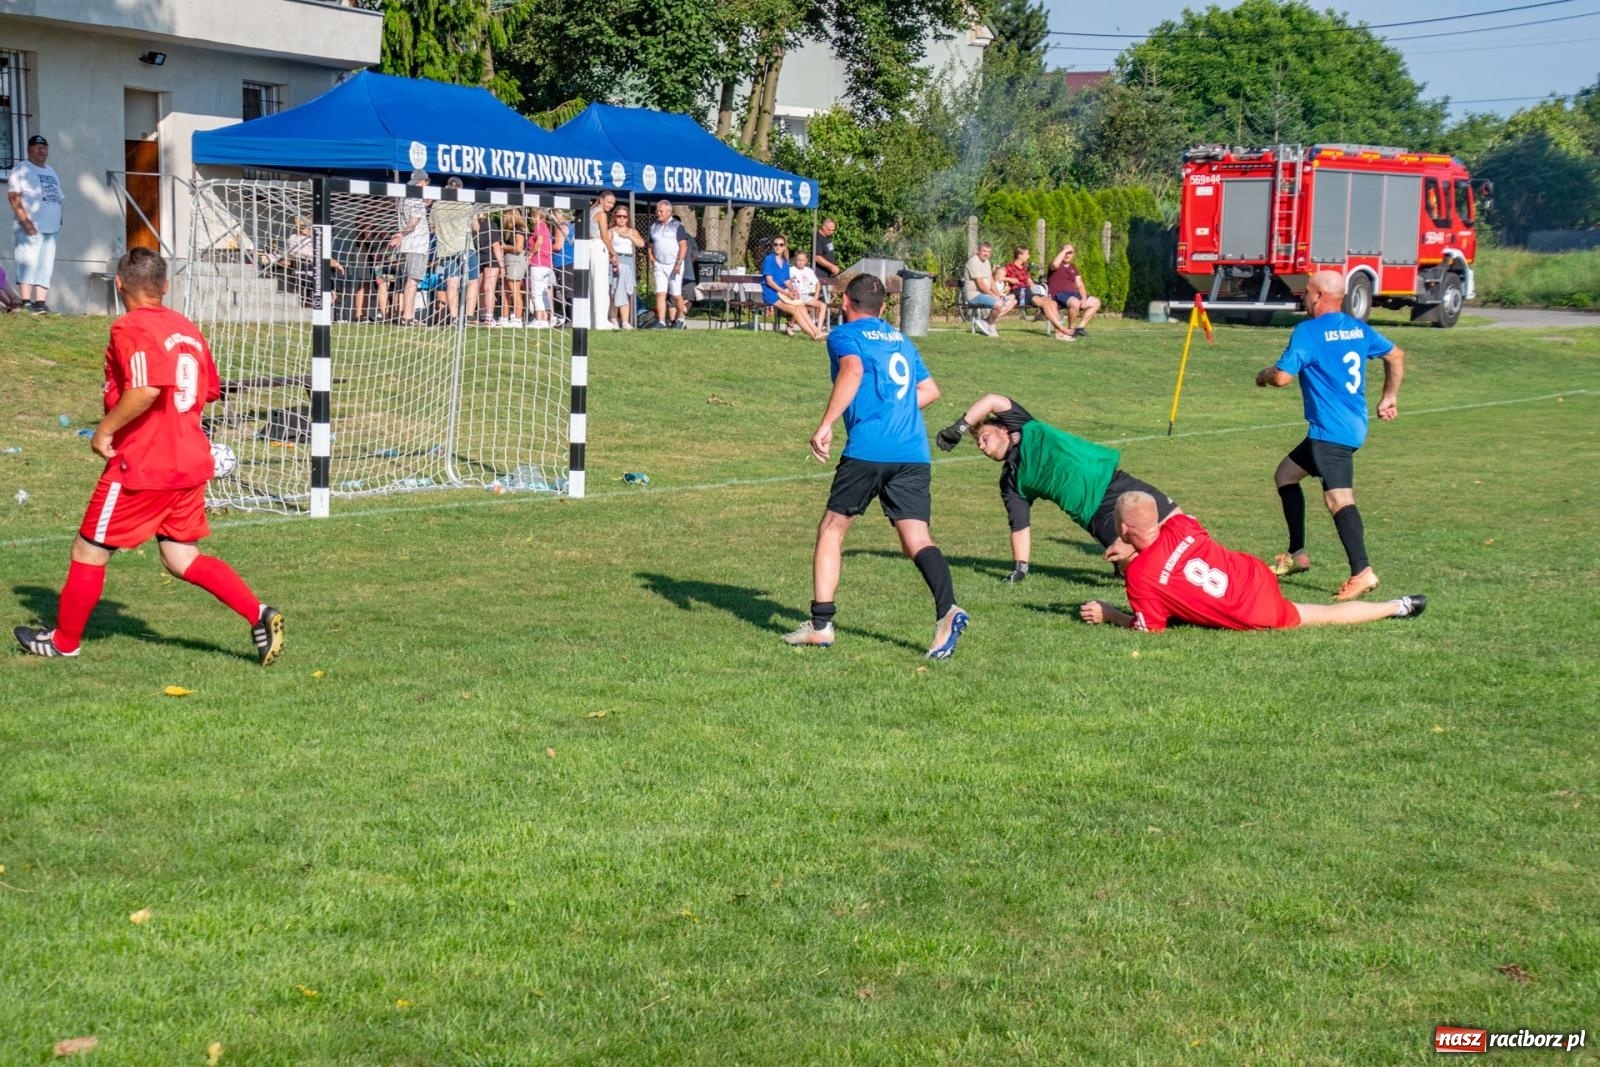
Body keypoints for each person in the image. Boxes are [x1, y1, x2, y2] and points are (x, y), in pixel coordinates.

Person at [13, 247, 285, 664]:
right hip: (191, 460)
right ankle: (258, 613)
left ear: (119, 284)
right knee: (181, 557)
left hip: (144, 464)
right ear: (165, 286)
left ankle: (64, 642)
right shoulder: (186, 328)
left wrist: (104, 430)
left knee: (89, 550)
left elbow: (146, 389)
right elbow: (208, 390)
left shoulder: (131, 327)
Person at [786, 274, 968, 660]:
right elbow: (930, 391)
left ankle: (821, 626)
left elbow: (852, 372)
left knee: (832, 529)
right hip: (913, 452)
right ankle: (947, 610)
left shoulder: (844, 335)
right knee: (917, 539)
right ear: (884, 308)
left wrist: (825, 425)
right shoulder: (901, 340)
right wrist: (893, 412)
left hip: (869, 449)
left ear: (845, 303)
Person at [1255, 269, 1405, 601]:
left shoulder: (1308, 331)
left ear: (1320, 296)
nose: (1304, 297)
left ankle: (1362, 571)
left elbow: (1282, 378)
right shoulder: (1357, 329)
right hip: (1349, 427)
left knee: (1338, 499)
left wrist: (1264, 374)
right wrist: (1390, 397)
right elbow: (1396, 356)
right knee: (1285, 475)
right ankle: (1297, 554)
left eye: (1307, 292)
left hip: (1331, 432)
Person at [1079, 492, 1426, 632]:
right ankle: (1402, 604)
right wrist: (1136, 547)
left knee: (1324, 614)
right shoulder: (1182, 524)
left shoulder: (1140, 577)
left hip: (1250, 609)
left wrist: (1109, 613)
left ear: (1123, 528)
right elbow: (1167, 540)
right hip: (1254, 573)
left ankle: (1398, 606)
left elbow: (1149, 628)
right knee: (1319, 610)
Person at [935, 394, 1181, 580]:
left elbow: (992, 399)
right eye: (979, 445)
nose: (981, 446)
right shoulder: (1011, 480)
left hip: (1116, 482)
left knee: (1178, 522)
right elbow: (1019, 525)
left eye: (984, 438)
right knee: (1142, 568)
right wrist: (1021, 567)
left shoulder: (1022, 424)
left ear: (1003, 429)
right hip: (1094, 513)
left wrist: (960, 427)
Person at [8, 134, 64, 315]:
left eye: (44, 147)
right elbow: (14, 196)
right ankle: (26, 301)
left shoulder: (51, 171)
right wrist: (25, 221)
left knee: (45, 265)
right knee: (28, 262)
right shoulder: (21, 168)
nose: (41, 150)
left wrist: (59, 218)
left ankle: (40, 303)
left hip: (52, 227)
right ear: (29, 150)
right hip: (31, 225)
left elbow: (58, 197)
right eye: (37, 147)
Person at [999, 246, 1073, 342]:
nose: (1028, 256)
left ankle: (1059, 334)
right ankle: (1061, 329)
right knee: (1044, 304)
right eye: (1027, 254)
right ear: (1020, 255)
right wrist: (1010, 279)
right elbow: (998, 277)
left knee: (1052, 303)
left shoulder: (1024, 267)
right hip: (1019, 293)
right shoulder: (1009, 267)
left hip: (1028, 291)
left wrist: (1040, 291)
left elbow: (1030, 283)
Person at [429, 177, 476, 325]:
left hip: (445, 248)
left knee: (452, 283)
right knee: (472, 282)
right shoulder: (466, 204)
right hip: (465, 246)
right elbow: (476, 228)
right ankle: (468, 316)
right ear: (460, 189)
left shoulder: (437, 205)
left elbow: (432, 228)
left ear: (446, 187)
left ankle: (454, 317)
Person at [389, 169, 431, 326]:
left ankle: (407, 314)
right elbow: (412, 224)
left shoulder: (405, 199)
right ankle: (407, 316)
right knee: (412, 281)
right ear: (423, 182)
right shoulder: (415, 200)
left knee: (410, 280)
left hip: (408, 246)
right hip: (416, 245)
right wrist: (401, 234)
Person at [761, 235, 823, 340]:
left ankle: (817, 331)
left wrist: (794, 290)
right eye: (775, 244)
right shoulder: (769, 259)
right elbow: (769, 282)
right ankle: (814, 336)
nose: (778, 247)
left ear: (785, 246)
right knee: (795, 310)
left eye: (781, 245)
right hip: (772, 294)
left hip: (782, 292)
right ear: (772, 246)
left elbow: (787, 281)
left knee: (801, 306)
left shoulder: (785, 262)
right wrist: (786, 293)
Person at [646, 199, 689, 330]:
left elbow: (683, 246)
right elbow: (650, 244)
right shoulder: (654, 226)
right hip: (659, 263)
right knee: (660, 293)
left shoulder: (677, 226)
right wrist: (651, 257)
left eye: (661, 211)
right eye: (657, 210)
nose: (658, 213)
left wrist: (678, 263)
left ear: (669, 211)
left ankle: (681, 318)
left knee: (675, 294)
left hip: (674, 264)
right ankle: (661, 322)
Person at [1045, 242, 1101, 338]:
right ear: (1061, 252)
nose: (1067, 255)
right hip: (1058, 295)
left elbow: (1080, 285)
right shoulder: (1055, 264)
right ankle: (1071, 330)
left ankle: (1080, 328)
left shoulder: (1073, 267)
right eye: (1066, 252)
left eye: (1070, 252)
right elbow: (1054, 264)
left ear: (1074, 254)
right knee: (1075, 302)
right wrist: (1065, 250)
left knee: (1096, 302)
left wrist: (1083, 298)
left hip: (1072, 294)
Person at [961, 242, 1015, 337]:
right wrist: (994, 296)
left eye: (988, 252)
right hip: (974, 295)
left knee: (1012, 302)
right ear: (978, 251)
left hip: (985, 294)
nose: (986, 253)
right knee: (998, 304)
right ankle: (991, 324)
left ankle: (986, 321)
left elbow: (991, 281)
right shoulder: (974, 262)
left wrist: (998, 294)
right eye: (984, 251)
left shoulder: (987, 262)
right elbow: (980, 285)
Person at [609, 204, 645, 329]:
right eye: (619, 216)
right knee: (613, 290)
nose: (622, 219)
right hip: (615, 260)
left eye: (624, 216)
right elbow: (607, 246)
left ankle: (625, 321)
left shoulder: (632, 231)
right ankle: (613, 319)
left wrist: (629, 235)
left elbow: (641, 243)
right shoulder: (611, 231)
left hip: (628, 260)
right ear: (615, 217)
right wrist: (614, 258)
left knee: (626, 290)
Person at [589, 190, 617, 330]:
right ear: (601, 200)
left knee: (591, 285)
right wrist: (613, 253)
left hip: (589, 247)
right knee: (601, 285)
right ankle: (601, 320)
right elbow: (605, 237)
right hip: (598, 246)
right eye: (609, 202)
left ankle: (592, 320)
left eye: (613, 203)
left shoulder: (590, 211)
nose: (611, 205)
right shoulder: (601, 214)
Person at [469, 210, 502, 326]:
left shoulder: (472, 226)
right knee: (489, 288)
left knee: (480, 289)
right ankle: (488, 317)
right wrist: (502, 265)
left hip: (478, 259)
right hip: (491, 258)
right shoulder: (491, 224)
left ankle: (483, 316)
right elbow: (496, 245)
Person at [499, 208, 528, 327]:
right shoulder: (510, 230)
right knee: (505, 291)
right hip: (509, 260)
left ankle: (517, 319)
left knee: (514, 291)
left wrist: (504, 247)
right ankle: (504, 318)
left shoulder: (518, 229)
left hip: (515, 261)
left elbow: (519, 248)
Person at [527, 206, 555, 328]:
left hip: (538, 263)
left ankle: (539, 319)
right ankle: (544, 320)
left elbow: (539, 242)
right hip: (547, 264)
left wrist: (530, 254)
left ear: (538, 216)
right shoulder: (547, 228)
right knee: (543, 293)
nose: (531, 218)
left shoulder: (539, 226)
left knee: (536, 292)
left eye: (532, 215)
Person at [788, 251, 830, 325]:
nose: (801, 262)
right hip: (795, 296)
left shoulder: (809, 271)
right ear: (795, 260)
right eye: (799, 260)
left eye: (803, 260)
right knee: (800, 305)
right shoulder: (791, 270)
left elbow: (817, 283)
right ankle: (791, 325)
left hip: (806, 296)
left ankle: (819, 329)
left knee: (823, 306)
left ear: (806, 261)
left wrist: (816, 296)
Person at [813, 216, 840, 292]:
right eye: (829, 230)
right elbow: (817, 257)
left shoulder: (828, 236)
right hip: (820, 274)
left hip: (828, 274)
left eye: (833, 230)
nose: (831, 232)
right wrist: (832, 267)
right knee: (822, 297)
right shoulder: (817, 238)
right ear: (824, 227)